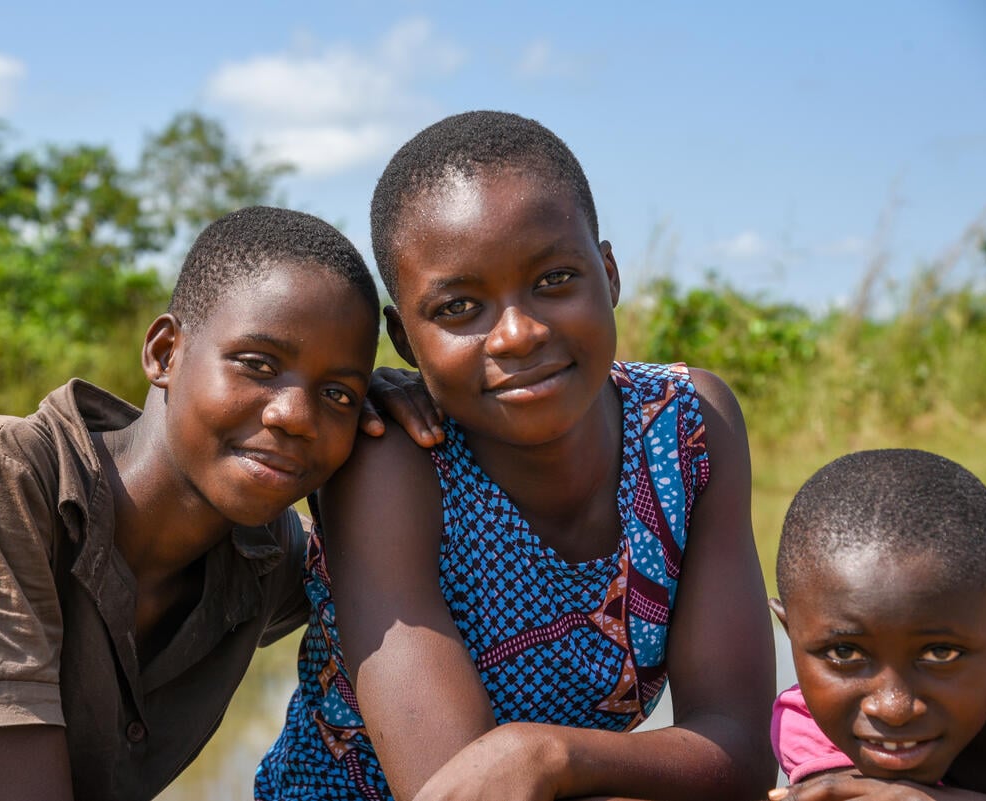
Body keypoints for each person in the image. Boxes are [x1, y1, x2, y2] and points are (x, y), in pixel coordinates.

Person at [255, 110, 777, 800]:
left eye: (555, 280)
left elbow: (739, 752)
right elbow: (454, 790)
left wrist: (546, 754)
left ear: (610, 273)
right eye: (458, 308)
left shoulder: (688, 429)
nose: (518, 333)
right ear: (405, 341)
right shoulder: (395, 463)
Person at [0, 206, 438, 801]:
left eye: (336, 393)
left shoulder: (264, 554)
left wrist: (415, 404)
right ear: (164, 352)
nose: (295, 416)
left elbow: (386, 566)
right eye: (258, 365)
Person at [768, 449, 986, 800]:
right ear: (792, 633)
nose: (893, 708)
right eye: (844, 652)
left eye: (941, 653)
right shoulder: (809, 726)